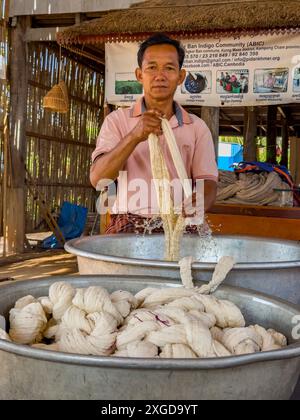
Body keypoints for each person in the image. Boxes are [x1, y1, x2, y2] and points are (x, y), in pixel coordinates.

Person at [90, 33, 218, 234]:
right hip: (129, 221)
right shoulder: (117, 121)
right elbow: (99, 180)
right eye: (151, 67)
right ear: (140, 75)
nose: (160, 76)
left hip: (181, 221)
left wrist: (202, 199)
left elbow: (208, 182)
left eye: (169, 68)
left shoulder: (196, 127)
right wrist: (134, 135)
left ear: (181, 76)